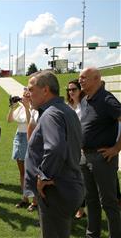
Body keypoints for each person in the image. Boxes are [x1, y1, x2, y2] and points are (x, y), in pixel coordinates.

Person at [24, 71, 84, 238]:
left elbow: (55, 147)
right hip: (67, 186)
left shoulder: (51, 113)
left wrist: (43, 176)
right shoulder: (65, 109)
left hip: (54, 190)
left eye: (31, 89)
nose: (28, 94)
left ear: (45, 90)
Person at [79, 67, 121, 238]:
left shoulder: (106, 99)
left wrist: (117, 148)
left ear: (96, 79)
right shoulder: (86, 100)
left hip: (102, 157)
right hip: (85, 156)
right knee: (91, 200)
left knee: (109, 203)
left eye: (84, 77)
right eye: (79, 78)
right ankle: (92, 235)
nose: (80, 80)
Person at [7, 88, 37, 212]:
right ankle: (25, 198)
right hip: (18, 137)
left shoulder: (34, 109)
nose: (23, 97)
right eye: (23, 95)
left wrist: (26, 107)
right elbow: (9, 120)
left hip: (29, 137)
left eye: (26, 95)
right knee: (22, 171)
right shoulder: (19, 108)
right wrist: (12, 106)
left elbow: (31, 122)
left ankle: (35, 201)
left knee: (31, 171)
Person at [66, 79, 87, 219]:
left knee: (82, 180)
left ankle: (81, 208)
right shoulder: (68, 106)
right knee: (73, 180)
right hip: (70, 148)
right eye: (69, 90)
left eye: (74, 89)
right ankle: (78, 208)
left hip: (83, 148)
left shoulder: (85, 105)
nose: (71, 92)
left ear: (80, 90)